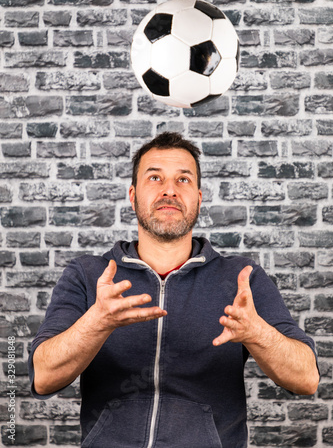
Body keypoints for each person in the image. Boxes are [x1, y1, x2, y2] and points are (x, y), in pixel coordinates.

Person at [29, 131, 319, 448]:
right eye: (155, 178)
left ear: (199, 196)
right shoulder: (88, 275)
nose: (169, 190)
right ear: (132, 194)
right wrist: (96, 323)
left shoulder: (240, 278)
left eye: (183, 180)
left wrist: (256, 333)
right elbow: (43, 377)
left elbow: (306, 378)